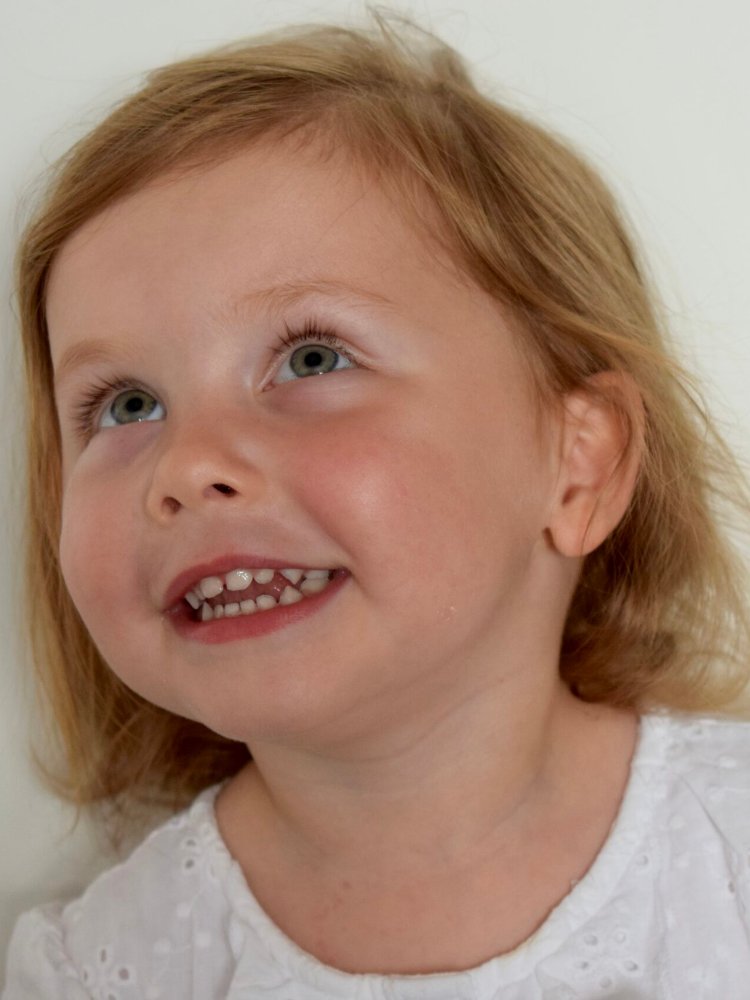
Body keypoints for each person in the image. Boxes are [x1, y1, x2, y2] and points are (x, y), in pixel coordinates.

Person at [4, 10, 750, 998]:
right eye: (126, 404)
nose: (186, 465)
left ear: (576, 465)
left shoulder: (728, 852)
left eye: (313, 358)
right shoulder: (100, 971)